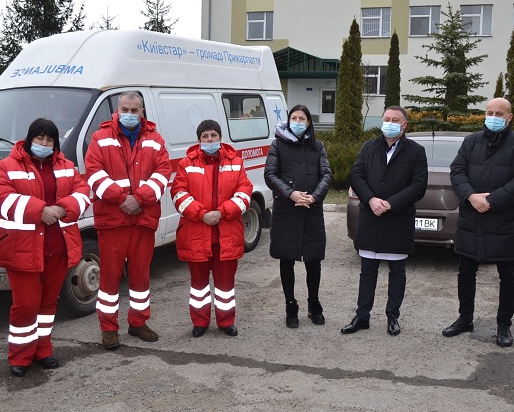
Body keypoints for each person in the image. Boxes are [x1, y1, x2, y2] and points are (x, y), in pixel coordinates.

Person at [0, 118, 91, 377]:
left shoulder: (66, 166)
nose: (44, 144)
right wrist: (39, 211)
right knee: (26, 305)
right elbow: (0, 197)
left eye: (50, 140)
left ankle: (43, 350)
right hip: (22, 248)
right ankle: (20, 356)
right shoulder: (6, 166)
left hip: (58, 246)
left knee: (47, 304)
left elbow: (83, 192)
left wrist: (62, 207)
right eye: (39, 139)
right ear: (29, 139)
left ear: (55, 143)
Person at [443, 97, 514, 347]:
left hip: (503, 221)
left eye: (499, 113)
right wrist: (471, 196)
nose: (493, 117)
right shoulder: (471, 141)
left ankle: (504, 325)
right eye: (489, 112)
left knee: (508, 275)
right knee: (466, 271)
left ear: (509, 118)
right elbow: (457, 171)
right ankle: (465, 319)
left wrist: (492, 200)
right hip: (471, 218)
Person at [85, 91, 171, 348]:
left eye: (134, 111)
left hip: (143, 219)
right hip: (113, 220)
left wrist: (140, 198)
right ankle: (109, 328)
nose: (130, 115)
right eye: (125, 109)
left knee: (140, 276)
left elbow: (163, 173)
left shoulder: (155, 139)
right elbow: (93, 174)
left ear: (142, 111)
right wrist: (122, 199)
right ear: (117, 109)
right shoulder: (100, 138)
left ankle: (138, 323)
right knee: (110, 277)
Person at [341, 106, 428, 336]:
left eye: (395, 120)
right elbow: (357, 175)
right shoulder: (369, 147)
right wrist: (370, 199)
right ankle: (362, 316)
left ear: (404, 125)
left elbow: (418, 186)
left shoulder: (416, 151)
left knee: (397, 272)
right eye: (386, 119)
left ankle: (393, 317)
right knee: (367, 270)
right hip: (371, 216)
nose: (390, 123)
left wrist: (389, 203)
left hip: (397, 219)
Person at [171, 119, 253, 337]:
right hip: (196, 234)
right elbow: (178, 194)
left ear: (220, 138)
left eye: (213, 135)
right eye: (205, 136)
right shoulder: (186, 164)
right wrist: (202, 214)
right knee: (198, 286)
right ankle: (200, 322)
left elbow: (245, 192)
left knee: (225, 285)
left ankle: (226, 322)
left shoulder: (236, 161)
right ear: (198, 140)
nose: (209, 140)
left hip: (226, 234)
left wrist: (223, 212)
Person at [264, 104, 332, 328]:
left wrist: (314, 197)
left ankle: (314, 304)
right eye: (294, 118)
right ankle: (290, 305)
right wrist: (291, 194)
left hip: (312, 211)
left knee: (314, 260)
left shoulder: (318, 146)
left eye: (302, 118)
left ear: (309, 123)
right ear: (288, 120)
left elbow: (326, 175)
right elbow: (270, 174)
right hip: (287, 210)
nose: (298, 122)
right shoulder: (278, 145)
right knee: (287, 259)